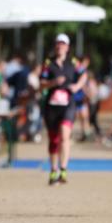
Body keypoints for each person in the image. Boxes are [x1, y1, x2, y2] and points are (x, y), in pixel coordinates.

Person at [40, 34, 86, 185]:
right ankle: (53, 170)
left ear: (67, 47)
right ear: (55, 46)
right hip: (52, 106)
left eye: (63, 44)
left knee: (65, 136)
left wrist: (77, 86)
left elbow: (84, 74)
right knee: (54, 140)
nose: (60, 46)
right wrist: (53, 82)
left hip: (68, 104)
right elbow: (41, 83)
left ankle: (63, 169)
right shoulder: (48, 63)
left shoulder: (73, 62)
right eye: (58, 44)